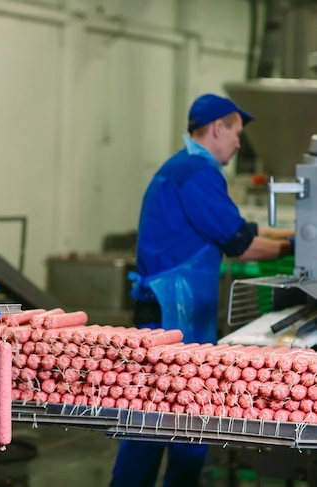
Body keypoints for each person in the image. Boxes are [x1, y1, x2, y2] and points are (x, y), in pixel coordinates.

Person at [109, 93, 295, 487]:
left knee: (168, 417)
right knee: (161, 420)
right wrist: (296, 246)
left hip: (174, 311)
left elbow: (239, 227)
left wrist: (293, 234)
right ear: (216, 129)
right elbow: (240, 243)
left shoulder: (186, 169)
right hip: (169, 315)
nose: (240, 143)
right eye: (237, 133)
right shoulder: (196, 172)